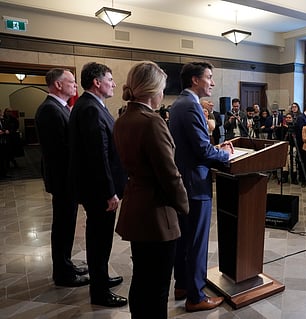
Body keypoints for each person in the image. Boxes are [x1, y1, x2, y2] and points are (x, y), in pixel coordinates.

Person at [113, 61, 189, 319]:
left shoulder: (123, 119)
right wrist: (184, 205)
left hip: (135, 206)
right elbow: (169, 174)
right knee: (157, 286)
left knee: (142, 278)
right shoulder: (152, 122)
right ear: (152, 90)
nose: (162, 95)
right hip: (156, 213)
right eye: (162, 89)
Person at [169, 61, 233, 312]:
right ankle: (195, 297)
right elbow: (201, 150)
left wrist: (214, 150)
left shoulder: (180, 104)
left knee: (185, 240)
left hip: (186, 180)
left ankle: (183, 284)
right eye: (209, 77)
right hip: (195, 184)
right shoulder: (190, 106)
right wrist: (225, 155)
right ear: (195, 80)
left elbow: (193, 146)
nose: (213, 83)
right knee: (196, 241)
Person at [68, 62, 127, 307]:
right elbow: (98, 154)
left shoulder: (90, 105)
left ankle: (101, 278)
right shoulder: (90, 108)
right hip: (98, 190)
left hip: (95, 187)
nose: (113, 84)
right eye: (110, 79)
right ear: (96, 82)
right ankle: (100, 292)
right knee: (99, 239)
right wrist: (109, 191)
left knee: (100, 238)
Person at [35, 68, 89, 287]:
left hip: (66, 179)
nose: (75, 85)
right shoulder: (50, 109)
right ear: (58, 84)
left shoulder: (60, 108)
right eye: (71, 82)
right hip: (62, 179)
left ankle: (66, 264)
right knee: (62, 226)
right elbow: (60, 150)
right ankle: (63, 273)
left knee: (66, 225)